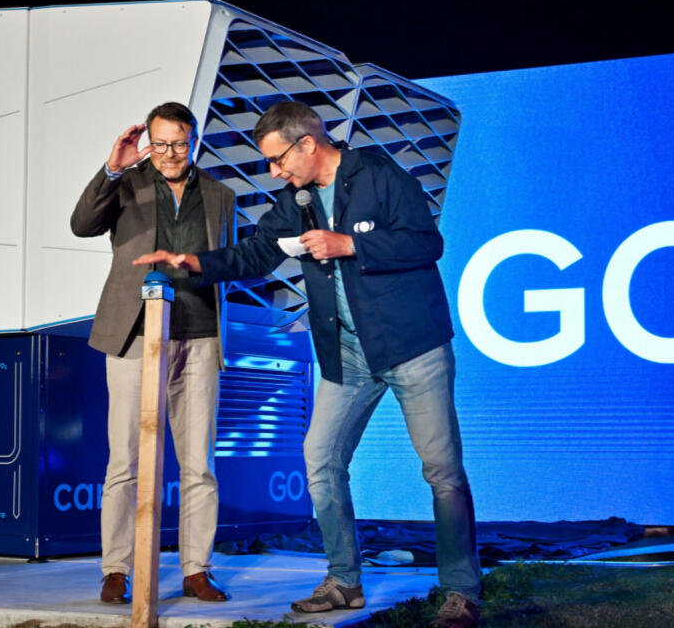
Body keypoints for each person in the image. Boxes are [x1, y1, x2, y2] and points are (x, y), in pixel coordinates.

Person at [133, 100, 480, 628]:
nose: (274, 172)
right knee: (320, 460)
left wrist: (349, 244)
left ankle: (461, 592)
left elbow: (426, 243)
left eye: (278, 160)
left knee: (443, 471)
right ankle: (344, 581)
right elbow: (256, 252)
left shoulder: (379, 174)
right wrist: (195, 262)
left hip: (413, 347)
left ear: (309, 145)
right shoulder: (296, 200)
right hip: (348, 354)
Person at [70, 101, 235, 604]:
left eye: (178, 144)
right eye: (159, 144)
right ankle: (116, 569)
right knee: (125, 460)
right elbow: (82, 224)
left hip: (199, 335)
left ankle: (196, 569)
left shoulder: (221, 194)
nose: (168, 153)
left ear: (194, 141)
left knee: (198, 463)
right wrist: (112, 168)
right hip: (134, 334)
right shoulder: (126, 183)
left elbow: (226, 262)